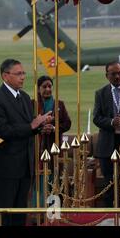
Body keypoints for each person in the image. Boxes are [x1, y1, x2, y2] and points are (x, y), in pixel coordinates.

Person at [0, 59, 51, 226]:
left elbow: (27, 128)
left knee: (20, 214)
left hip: (25, 167)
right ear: (5, 76)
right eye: (18, 74)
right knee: (4, 214)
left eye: (23, 73)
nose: (23, 77)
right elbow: (2, 131)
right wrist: (32, 125)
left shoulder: (24, 97)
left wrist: (40, 128)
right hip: (6, 168)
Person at [32, 75, 72, 206]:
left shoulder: (59, 104)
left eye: (50, 86)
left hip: (55, 149)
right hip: (37, 149)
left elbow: (67, 123)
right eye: (44, 87)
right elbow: (28, 124)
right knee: (38, 179)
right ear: (38, 89)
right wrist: (41, 128)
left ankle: (53, 212)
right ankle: (38, 210)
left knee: (55, 178)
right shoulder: (33, 104)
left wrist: (54, 127)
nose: (48, 89)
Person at [93, 61, 120, 207]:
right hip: (107, 144)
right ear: (107, 76)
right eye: (113, 74)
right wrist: (112, 122)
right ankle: (108, 211)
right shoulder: (101, 93)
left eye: (119, 72)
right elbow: (96, 118)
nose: (117, 76)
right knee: (109, 180)